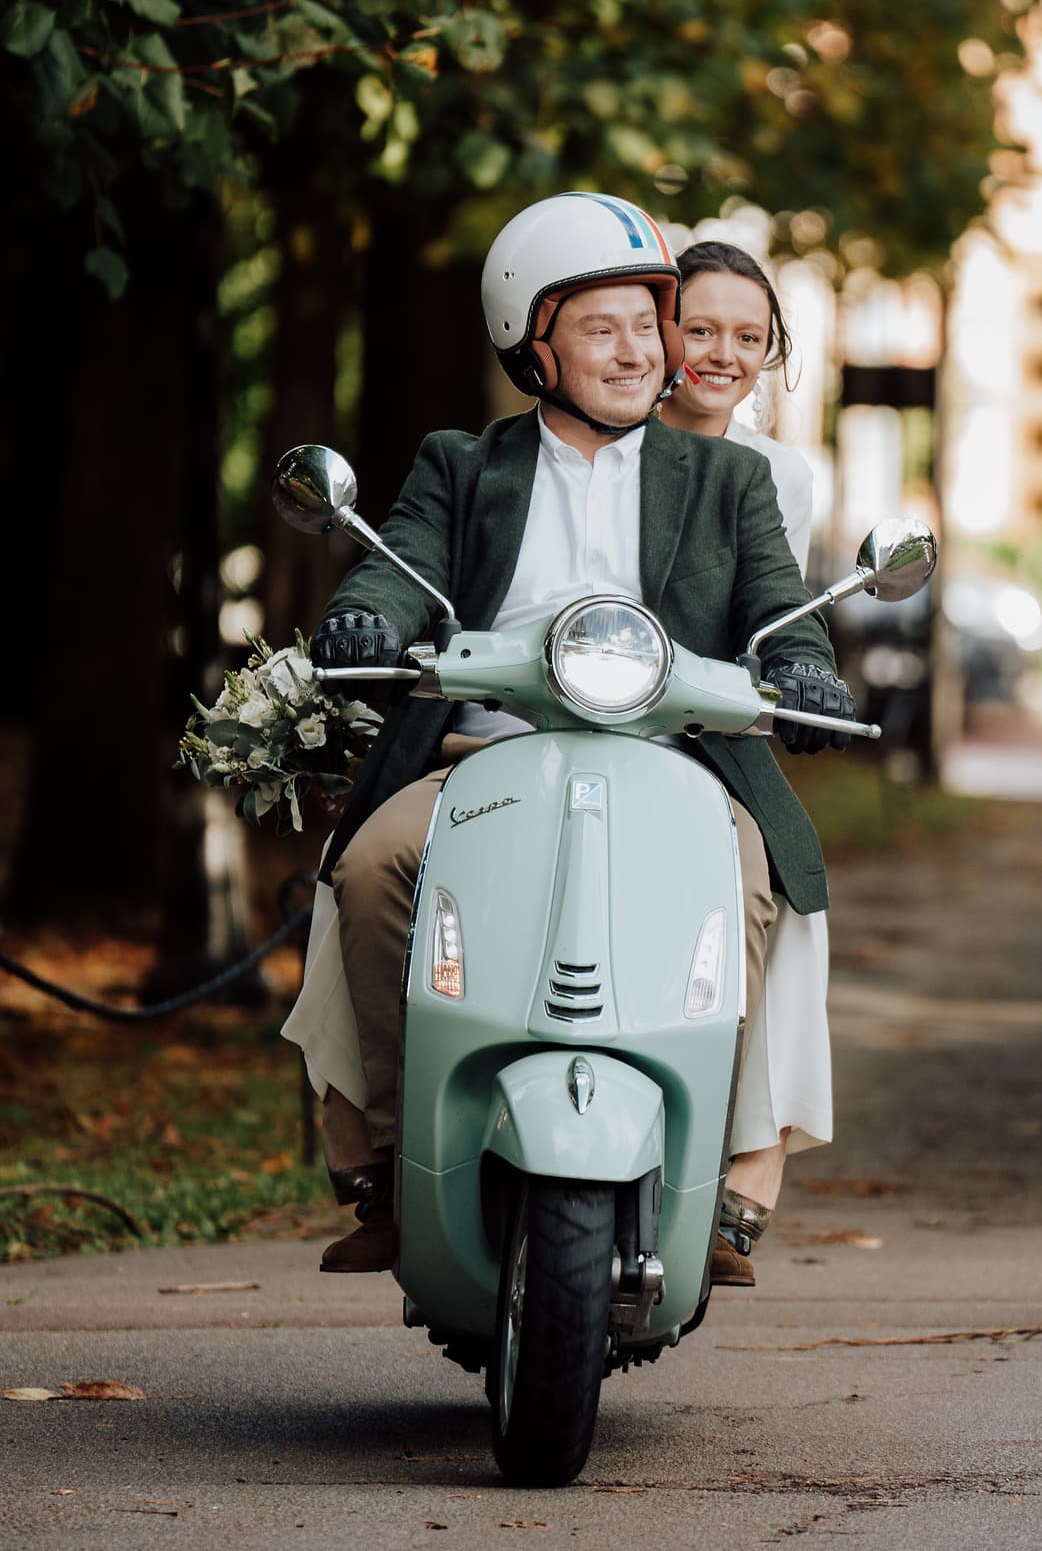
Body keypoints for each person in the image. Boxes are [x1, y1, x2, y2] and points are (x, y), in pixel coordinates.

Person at [290, 192, 855, 1280]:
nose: (639, 352)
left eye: (648, 324)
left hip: (676, 765)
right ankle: (406, 1164)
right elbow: (396, 568)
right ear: (533, 345)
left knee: (746, 881)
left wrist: (803, 669)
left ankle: (695, 1181)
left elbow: (782, 605)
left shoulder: (727, 478)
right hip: (485, 758)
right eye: (603, 329)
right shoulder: (463, 465)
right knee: (370, 866)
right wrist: (366, 619)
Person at [657, 240, 830, 1262]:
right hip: (583, 712)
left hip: (714, 731)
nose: (723, 354)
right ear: (661, 332)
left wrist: (798, 674)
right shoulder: (606, 442)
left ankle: (747, 1157)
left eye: (748, 337)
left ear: (771, 354)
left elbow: (776, 607)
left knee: (789, 883)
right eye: (701, 328)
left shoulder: (778, 474)